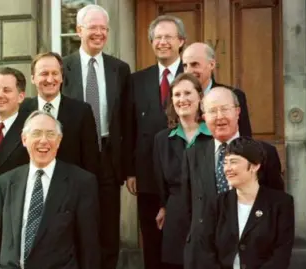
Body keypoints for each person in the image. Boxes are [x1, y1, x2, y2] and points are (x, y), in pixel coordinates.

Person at [61, 5, 133, 268]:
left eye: (104, 28)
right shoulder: (62, 68)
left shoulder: (120, 69)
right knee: (72, 223)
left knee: (108, 229)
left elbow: (126, 120)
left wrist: (129, 167)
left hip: (107, 159)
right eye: (93, 27)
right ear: (79, 30)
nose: (99, 33)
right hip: (73, 156)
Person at [181, 87, 284, 269]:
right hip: (205, 256)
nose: (219, 117)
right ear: (204, 117)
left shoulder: (265, 152)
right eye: (212, 111)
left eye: (225, 109)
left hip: (253, 255)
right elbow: (189, 206)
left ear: (237, 111)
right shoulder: (193, 154)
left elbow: (277, 207)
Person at [0, 110, 100, 269]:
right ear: (24, 139)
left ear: (59, 140)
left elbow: (89, 247)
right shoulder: (5, 182)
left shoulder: (81, 183)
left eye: (50, 134)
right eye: (37, 133)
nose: (43, 141)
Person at [129, 15, 186, 268]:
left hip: (186, 174)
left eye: (168, 37)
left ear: (181, 41)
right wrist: (131, 171)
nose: (162, 42)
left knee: (184, 243)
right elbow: (128, 126)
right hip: (148, 175)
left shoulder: (192, 74)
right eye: (157, 37)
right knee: (152, 242)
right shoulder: (136, 80)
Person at [201, 137, 294, 269]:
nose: (227, 169)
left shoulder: (281, 204)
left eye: (233, 162)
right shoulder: (217, 204)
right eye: (225, 163)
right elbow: (206, 251)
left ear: (255, 165)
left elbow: (281, 254)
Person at [153, 73, 212, 269]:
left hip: (209, 212)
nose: (182, 99)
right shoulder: (162, 139)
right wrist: (163, 207)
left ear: (200, 98)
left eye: (188, 93)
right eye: (177, 95)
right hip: (176, 215)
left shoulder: (213, 136)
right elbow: (160, 180)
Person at [20, 52, 100, 176]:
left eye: (55, 73)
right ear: (33, 78)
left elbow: (91, 160)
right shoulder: (21, 110)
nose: (50, 79)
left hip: (71, 188)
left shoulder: (82, 111)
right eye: (44, 73)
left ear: (62, 77)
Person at [182, 42, 252, 137]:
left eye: (195, 64)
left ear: (211, 64)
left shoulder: (233, 95)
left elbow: (245, 138)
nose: (188, 71)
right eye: (185, 66)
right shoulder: (178, 99)